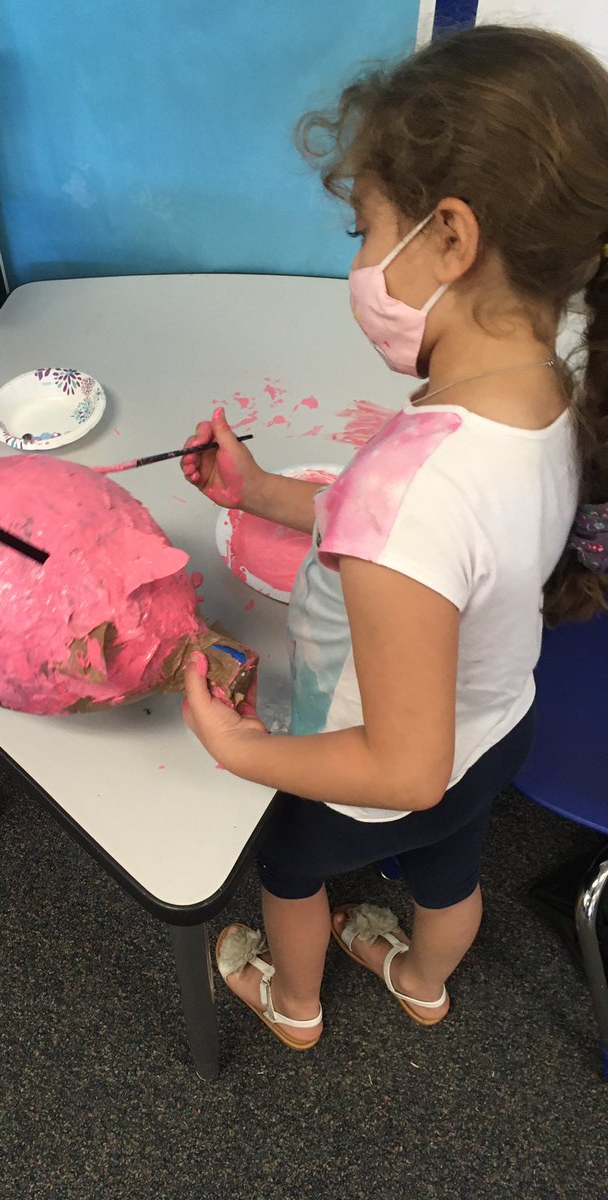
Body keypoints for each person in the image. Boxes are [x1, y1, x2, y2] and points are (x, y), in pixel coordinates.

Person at [179, 24, 608, 1050]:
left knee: (290, 871)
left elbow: (401, 769)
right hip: (498, 729)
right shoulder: (554, 393)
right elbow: (445, 542)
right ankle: (420, 981)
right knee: (451, 873)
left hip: (380, 768)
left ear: (451, 239)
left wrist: (247, 750)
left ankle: (295, 1005)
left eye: (364, 231)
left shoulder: (404, 497)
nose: (362, 262)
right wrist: (264, 491)